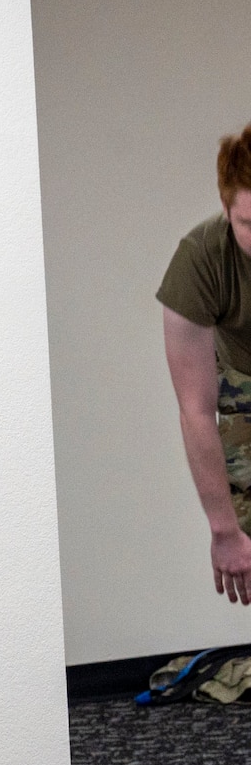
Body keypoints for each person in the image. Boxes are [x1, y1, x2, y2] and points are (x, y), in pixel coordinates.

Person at [163, 123, 251, 604]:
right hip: (244, 393)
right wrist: (224, 532)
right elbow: (196, 407)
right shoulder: (200, 260)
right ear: (226, 208)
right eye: (250, 225)